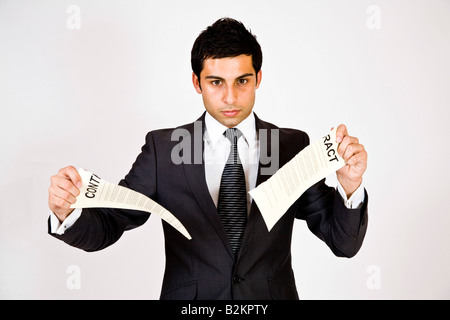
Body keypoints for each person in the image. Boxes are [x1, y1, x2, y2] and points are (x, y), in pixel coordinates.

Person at [48, 17, 368, 300]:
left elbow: (343, 243)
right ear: (197, 83)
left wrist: (350, 186)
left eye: (242, 81)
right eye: (216, 82)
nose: (230, 97)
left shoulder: (289, 145)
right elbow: (110, 224)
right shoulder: (166, 148)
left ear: (258, 78)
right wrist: (67, 212)